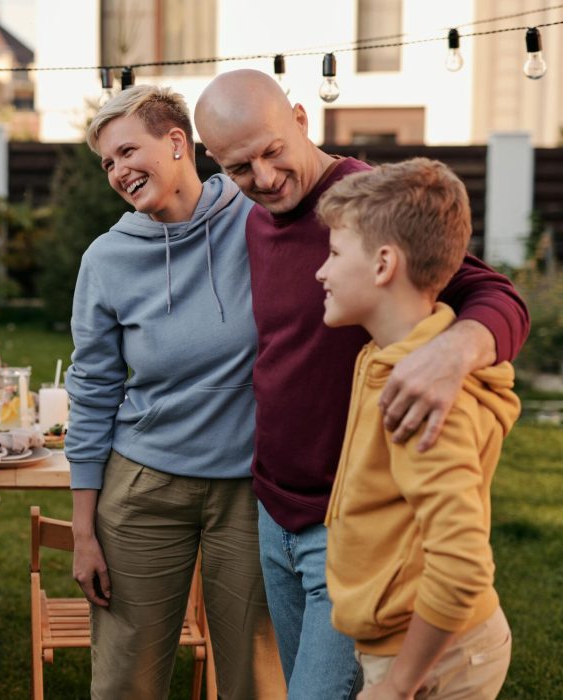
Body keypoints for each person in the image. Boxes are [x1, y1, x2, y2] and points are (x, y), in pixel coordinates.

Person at [194, 69, 529, 699]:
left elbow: (495, 293)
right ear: (217, 162)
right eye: (241, 168)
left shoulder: (364, 206)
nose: (263, 179)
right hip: (275, 509)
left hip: (351, 527)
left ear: (299, 117)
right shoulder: (255, 215)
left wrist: (452, 351)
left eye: (272, 152)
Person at [67, 84, 277, 699]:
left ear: (178, 141)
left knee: (257, 677)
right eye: (108, 163)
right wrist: (83, 532)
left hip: (251, 486)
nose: (118, 171)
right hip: (143, 486)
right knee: (126, 679)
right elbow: (94, 389)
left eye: (128, 150)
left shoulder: (256, 217)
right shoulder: (106, 260)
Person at [316, 159, 517, 699]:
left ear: (384, 264)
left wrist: (399, 685)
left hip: (435, 662)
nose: (322, 272)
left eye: (334, 254)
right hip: (418, 645)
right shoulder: (390, 359)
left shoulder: (416, 396)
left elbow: (463, 567)